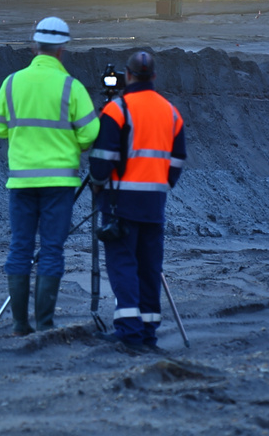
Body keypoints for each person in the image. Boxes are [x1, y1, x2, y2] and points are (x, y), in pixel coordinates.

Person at [0, 16, 100, 335]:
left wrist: (23, 137)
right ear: (63, 49)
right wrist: (71, 144)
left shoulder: (11, 83)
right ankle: (46, 323)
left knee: (20, 247)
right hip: (59, 185)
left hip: (22, 181)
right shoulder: (71, 87)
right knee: (52, 249)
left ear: (35, 45)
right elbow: (91, 132)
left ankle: (20, 324)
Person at [88, 49, 187, 352]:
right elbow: (178, 159)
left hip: (121, 205)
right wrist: (161, 184)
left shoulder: (118, 110)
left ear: (127, 76)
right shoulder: (171, 112)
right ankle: (148, 333)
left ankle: (129, 333)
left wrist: (97, 183)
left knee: (123, 266)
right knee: (149, 269)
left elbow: (102, 160)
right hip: (154, 205)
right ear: (154, 77)